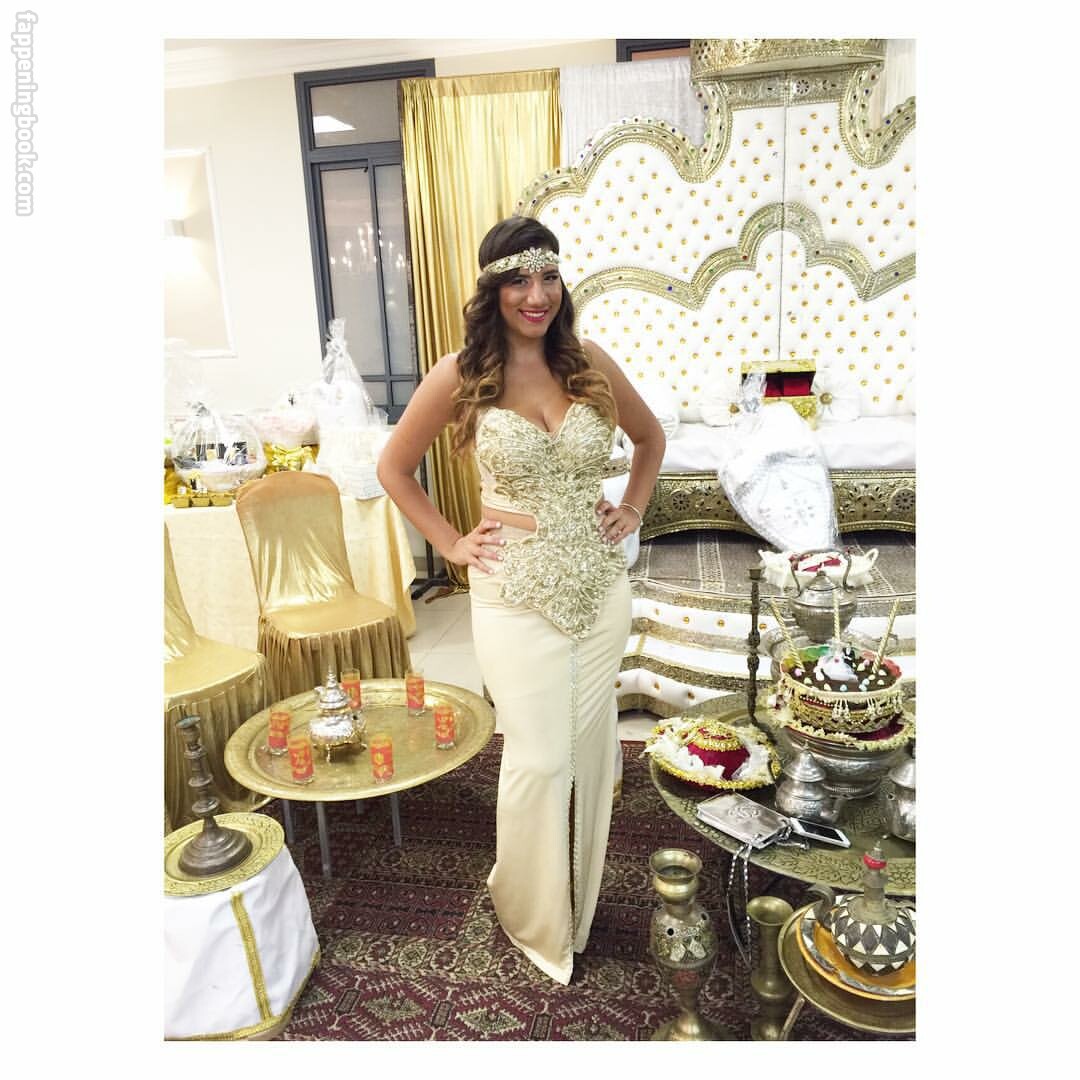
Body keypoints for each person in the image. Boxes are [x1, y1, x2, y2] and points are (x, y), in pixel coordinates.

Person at [377, 216, 665, 984]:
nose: (537, 295)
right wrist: (449, 542)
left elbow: (651, 440)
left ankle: (578, 908)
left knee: (592, 751)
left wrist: (631, 508)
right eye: (519, 279)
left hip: (600, 589)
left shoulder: (588, 363)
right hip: (511, 591)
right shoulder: (460, 374)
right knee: (539, 758)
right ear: (492, 288)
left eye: (548, 277)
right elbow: (394, 468)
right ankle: (531, 912)